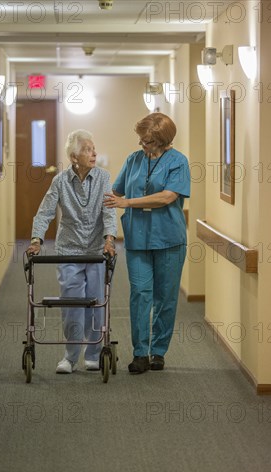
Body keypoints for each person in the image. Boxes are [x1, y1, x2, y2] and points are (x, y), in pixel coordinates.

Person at [104, 113, 190, 374]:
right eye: (141, 140)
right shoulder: (134, 159)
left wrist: (128, 203)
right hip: (137, 239)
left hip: (169, 239)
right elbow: (116, 192)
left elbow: (166, 197)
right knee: (140, 295)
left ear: (163, 141)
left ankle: (158, 351)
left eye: (148, 141)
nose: (143, 145)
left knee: (165, 298)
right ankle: (140, 352)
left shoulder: (178, 162)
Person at [27, 129, 117, 374]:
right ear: (74, 156)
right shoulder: (60, 181)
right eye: (88, 149)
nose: (94, 153)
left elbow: (109, 211)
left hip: (97, 250)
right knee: (72, 305)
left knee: (96, 302)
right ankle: (70, 355)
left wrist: (110, 239)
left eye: (94, 148)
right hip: (68, 251)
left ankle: (94, 353)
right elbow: (45, 211)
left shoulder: (103, 178)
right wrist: (37, 239)